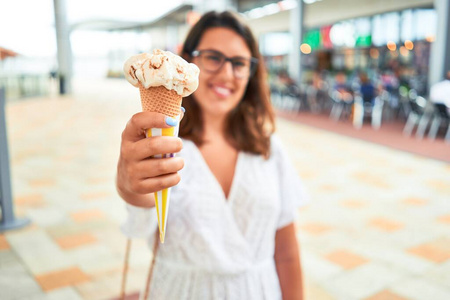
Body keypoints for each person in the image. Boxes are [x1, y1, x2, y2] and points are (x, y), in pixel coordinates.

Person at [116, 11, 307, 300]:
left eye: (239, 63)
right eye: (213, 57)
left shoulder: (268, 148)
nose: (227, 73)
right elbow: (139, 196)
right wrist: (128, 180)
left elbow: (287, 253)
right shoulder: (162, 146)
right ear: (187, 62)